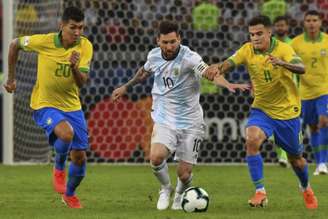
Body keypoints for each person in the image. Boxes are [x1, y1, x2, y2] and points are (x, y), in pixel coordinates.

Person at [111, 20, 249, 210]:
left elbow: (209, 72)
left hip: (191, 121)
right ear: (158, 41)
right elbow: (143, 72)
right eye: (165, 42)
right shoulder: (153, 56)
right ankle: (165, 188)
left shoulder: (189, 57)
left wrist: (227, 84)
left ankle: (179, 195)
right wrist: (126, 86)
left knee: (184, 174)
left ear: (179, 39)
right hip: (164, 118)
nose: (169, 46)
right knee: (156, 157)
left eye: (173, 42)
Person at [207, 15, 318, 209]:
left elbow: (301, 67)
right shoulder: (247, 50)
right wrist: (216, 69)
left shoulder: (284, 49)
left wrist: (283, 63)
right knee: (252, 139)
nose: (255, 38)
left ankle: (305, 187)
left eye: (259, 33)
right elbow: (228, 63)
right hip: (262, 109)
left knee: (296, 160)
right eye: (251, 34)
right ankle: (260, 192)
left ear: (269, 32)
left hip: (287, 112)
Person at [3, 7, 93, 209]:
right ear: (61, 26)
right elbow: (14, 45)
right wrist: (11, 78)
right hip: (44, 103)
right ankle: (59, 166)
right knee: (66, 134)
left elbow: (82, 83)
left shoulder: (85, 46)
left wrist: (74, 67)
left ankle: (69, 195)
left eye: (81, 27)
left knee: (80, 157)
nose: (77, 32)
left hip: (72, 105)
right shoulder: (45, 41)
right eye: (73, 28)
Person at [291, 10, 328, 176]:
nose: (312, 23)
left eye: (315, 20)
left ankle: (323, 163)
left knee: (324, 122)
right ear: (304, 23)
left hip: (325, 90)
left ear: (321, 22)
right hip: (305, 92)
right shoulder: (296, 43)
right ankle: (319, 162)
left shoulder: (327, 41)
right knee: (313, 128)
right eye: (308, 20)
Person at [271, 15, 292, 167]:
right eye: (277, 25)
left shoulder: (293, 44)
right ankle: (282, 155)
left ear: (287, 27)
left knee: (286, 124)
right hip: (271, 90)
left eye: (282, 25)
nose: (280, 28)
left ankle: (284, 156)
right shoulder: (269, 45)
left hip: (290, 90)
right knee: (273, 127)